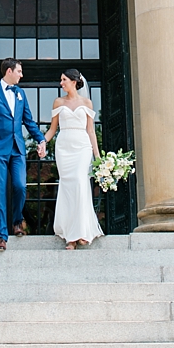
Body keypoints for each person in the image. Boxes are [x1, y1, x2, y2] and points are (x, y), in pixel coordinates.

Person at [0, 59, 47, 252]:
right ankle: (1, 236)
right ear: (9, 71)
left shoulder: (21, 94)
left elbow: (28, 121)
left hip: (17, 148)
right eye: (19, 71)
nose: (21, 74)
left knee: (20, 186)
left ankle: (17, 220)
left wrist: (41, 139)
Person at [44, 68, 104, 249]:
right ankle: (71, 236)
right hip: (64, 147)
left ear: (74, 81)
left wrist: (97, 156)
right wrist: (43, 142)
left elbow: (91, 131)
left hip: (82, 146)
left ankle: (82, 231)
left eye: (63, 80)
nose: (61, 83)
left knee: (80, 182)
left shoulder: (87, 103)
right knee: (68, 186)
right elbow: (53, 129)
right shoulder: (58, 102)